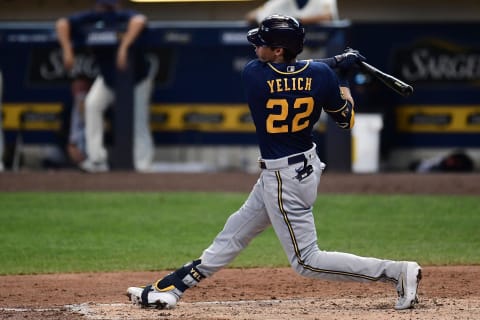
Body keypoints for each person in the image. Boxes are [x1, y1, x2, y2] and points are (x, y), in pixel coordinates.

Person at [126, 15, 421, 311]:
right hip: (300, 167)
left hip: (284, 178)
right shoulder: (321, 76)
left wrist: (336, 61)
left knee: (307, 261)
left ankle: (395, 271)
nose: (256, 48)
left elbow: (297, 72)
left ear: (279, 51)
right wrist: (342, 74)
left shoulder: (254, 74)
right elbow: (346, 119)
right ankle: (173, 287)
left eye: (263, 44)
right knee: (235, 231)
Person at [56, 0, 156, 172]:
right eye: (103, 6)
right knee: (92, 105)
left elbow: (140, 20)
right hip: (109, 78)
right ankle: (97, 159)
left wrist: (124, 47)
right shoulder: (91, 17)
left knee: (138, 120)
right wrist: (67, 49)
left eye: (108, 6)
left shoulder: (121, 15)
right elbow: (61, 23)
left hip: (137, 78)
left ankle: (142, 164)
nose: (105, 9)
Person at [245, 0, 338, 26]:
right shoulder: (279, 2)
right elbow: (251, 16)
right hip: (289, 53)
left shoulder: (324, 1)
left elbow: (327, 16)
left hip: (320, 49)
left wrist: (295, 20)